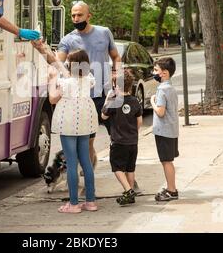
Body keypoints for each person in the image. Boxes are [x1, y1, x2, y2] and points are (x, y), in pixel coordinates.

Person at [32, 1, 121, 171]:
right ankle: (88, 180)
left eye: (79, 15)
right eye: (73, 15)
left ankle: (125, 173)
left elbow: (116, 56)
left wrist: (117, 74)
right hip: (82, 98)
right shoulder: (69, 39)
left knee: (119, 138)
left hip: (104, 95)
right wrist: (41, 48)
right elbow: (56, 62)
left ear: (89, 16)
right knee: (87, 143)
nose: (76, 18)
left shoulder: (104, 32)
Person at [49, 50, 99, 213]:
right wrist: (57, 61)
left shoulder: (66, 83)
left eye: (69, 62)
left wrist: (52, 79)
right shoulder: (88, 79)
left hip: (69, 121)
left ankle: (74, 204)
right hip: (85, 120)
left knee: (71, 163)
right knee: (86, 161)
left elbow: (52, 98)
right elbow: (71, 74)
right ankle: (90, 202)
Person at [101, 69, 143, 205]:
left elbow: (103, 116)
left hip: (118, 141)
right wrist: (133, 133)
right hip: (132, 141)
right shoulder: (135, 101)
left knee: (117, 167)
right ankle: (130, 193)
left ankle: (128, 190)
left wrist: (108, 99)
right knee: (130, 168)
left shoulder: (114, 101)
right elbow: (139, 121)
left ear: (117, 86)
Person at [150, 57, 179, 201]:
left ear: (165, 73)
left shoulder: (162, 90)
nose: (153, 72)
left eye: (156, 70)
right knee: (168, 160)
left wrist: (152, 102)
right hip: (171, 130)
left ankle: (171, 190)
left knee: (166, 161)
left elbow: (160, 112)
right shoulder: (171, 88)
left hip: (163, 131)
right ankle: (171, 187)